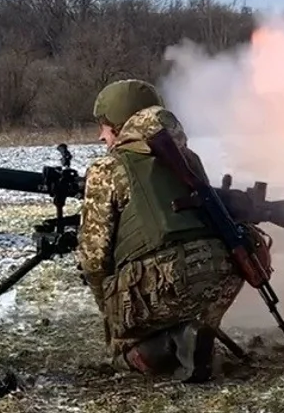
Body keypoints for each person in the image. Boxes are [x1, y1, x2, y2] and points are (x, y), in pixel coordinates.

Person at [75, 78, 246, 382]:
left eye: (104, 125)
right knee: (177, 302)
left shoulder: (107, 169)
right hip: (219, 278)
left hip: (162, 284)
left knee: (123, 350)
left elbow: (94, 258)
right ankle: (194, 331)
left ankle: (175, 342)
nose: (101, 136)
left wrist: (112, 313)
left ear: (119, 123)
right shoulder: (189, 159)